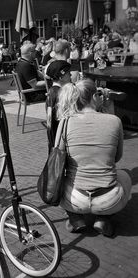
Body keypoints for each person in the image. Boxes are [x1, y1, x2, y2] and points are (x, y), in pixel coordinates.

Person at [56, 79, 132, 237]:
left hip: (74, 198)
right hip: (109, 198)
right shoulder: (114, 121)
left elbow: (57, 158)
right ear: (95, 97)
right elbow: (116, 158)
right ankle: (103, 219)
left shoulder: (65, 122)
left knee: (60, 179)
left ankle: (75, 218)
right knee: (124, 175)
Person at [45, 60, 71, 152]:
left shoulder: (51, 91)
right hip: (60, 140)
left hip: (53, 138)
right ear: (61, 76)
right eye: (68, 73)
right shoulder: (61, 94)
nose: (71, 75)